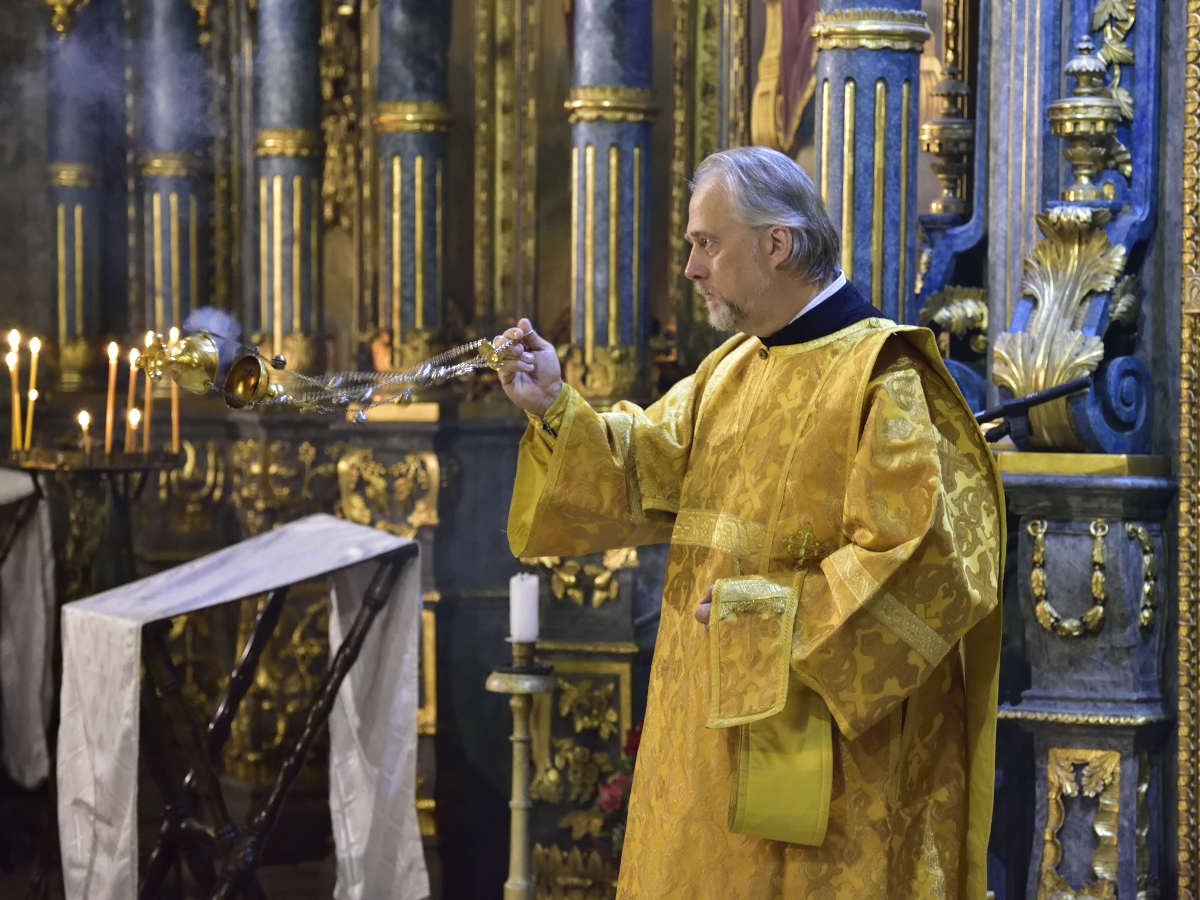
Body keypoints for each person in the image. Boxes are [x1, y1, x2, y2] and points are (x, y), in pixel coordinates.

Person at [493, 146, 1003, 898]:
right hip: (700, 737)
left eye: (707, 243)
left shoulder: (883, 377)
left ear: (777, 244)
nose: (692, 268)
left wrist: (771, 617)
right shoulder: (730, 369)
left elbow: (929, 560)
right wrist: (552, 406)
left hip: (825, 764)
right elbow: (640, 465)